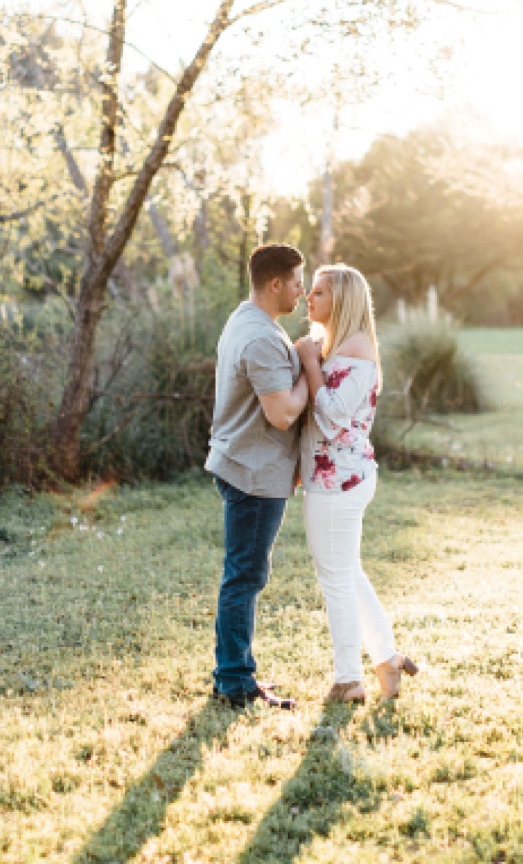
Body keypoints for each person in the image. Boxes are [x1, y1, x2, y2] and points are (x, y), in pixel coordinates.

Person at [294, 264, 418, 704]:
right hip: (337, 476)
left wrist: (310, 363)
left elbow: (329, 418)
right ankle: (386, 657)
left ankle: (348, 680)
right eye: (310, 291)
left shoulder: (355, 350)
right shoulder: (342, 347)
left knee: (335, 580)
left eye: (320, 292)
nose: (309, 298)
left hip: (339, 481)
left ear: (343, 300)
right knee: (346, 572)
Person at [206, 243, 309, 710]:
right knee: (244, 576)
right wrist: (309, 368)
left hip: (244, 462)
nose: (302, 291)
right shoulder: (264, 339)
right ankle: (234, 681)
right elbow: (283, 414)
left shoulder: (246, 319)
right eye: (296, 282)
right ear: (275, 284)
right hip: (252, 472)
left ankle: (234, 674)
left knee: (243, 574)